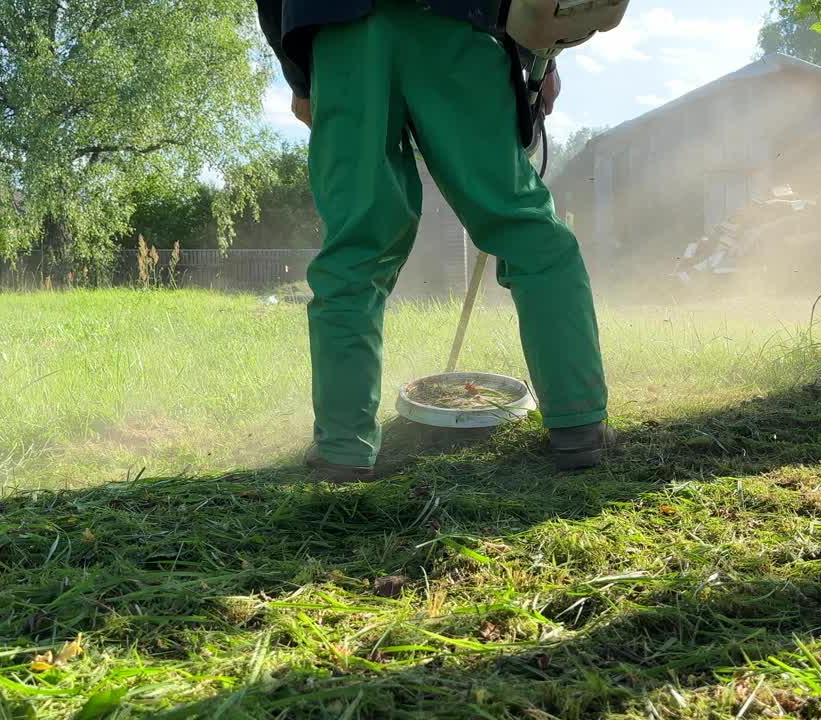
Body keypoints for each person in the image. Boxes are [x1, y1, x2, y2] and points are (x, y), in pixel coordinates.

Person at [256, 0, 613, 482]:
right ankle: (578, 423)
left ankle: (343, 449)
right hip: (456, 21)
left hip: (337, 31)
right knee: (524, 227)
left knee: (355, 245)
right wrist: (540, 54)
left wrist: (302, 76)